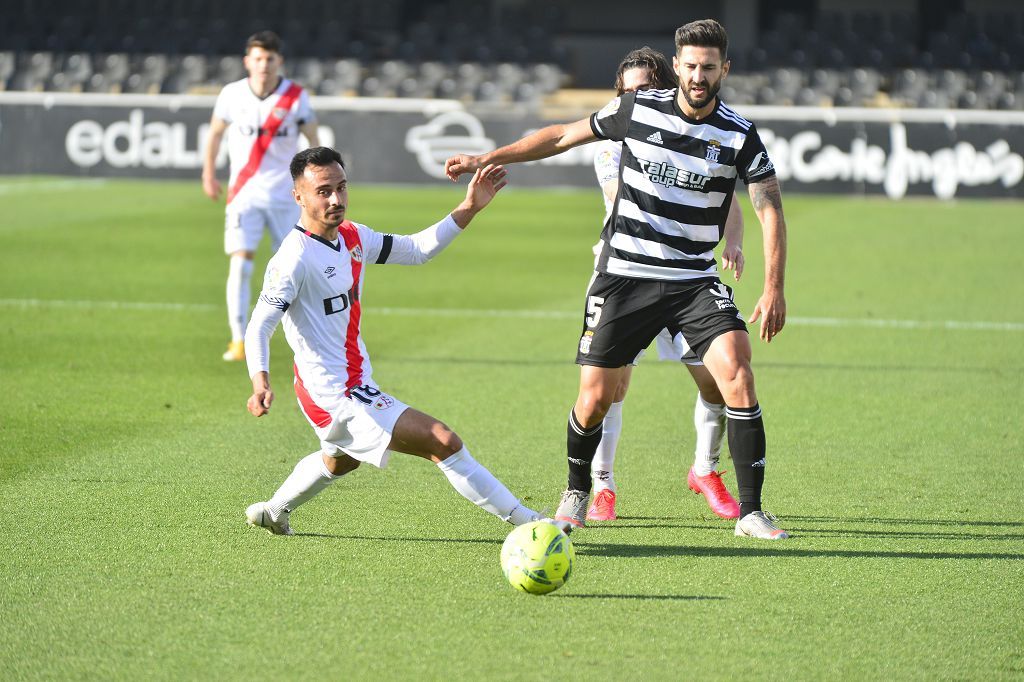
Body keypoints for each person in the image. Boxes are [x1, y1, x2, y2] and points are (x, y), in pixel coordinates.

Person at [446, 19, 790, 539]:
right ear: (676, 67)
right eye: (691, 66)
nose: (699, 76)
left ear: (726, 69)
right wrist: (487, 156)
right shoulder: (638, 109)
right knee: (595, 398)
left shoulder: (738, 132)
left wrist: (773, 287)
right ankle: (578, 491)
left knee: (736, 375)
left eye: (709, 67)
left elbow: (768, 206)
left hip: (693, 280)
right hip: (624, 274)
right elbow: (562, 135)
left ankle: (750, 512)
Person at [243, 146, 560, 537]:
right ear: (299, 196)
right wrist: (260, 381)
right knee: (442, 441)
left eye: (341, 188)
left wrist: (469, 208)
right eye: (324, 191)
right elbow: (259, 325)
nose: (336, 199)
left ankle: (274, 511)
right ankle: (530, 524)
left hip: (354, 381)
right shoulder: (292, 259)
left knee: (340, 460)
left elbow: (416, 250)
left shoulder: (352, 236)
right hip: (333, 392)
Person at [586, 46, 745, 523]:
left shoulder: (693, 131)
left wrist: (733, 241)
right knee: (610, 390)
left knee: (717, 382)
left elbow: (726, 197)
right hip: (626, 274)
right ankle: (601, 487)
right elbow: (626, 198)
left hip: (684, 280)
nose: (638, 96)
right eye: (629, 90)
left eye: (646, 88)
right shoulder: (614, 144)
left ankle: (705, 470)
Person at [202, 30, 320, 362]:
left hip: (286, 196)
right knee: (240, 265)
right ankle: (238, 340)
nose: (263, 64)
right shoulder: (231, 94)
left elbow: (313, 140)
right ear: (247, 61)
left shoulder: (296, 96)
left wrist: (314, 185)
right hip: (244, 195)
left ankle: (304, 340)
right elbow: (214, 134)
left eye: (269, 58)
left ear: (279, 61)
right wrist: (208, 173)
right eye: (257, 58)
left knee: (295, 267)